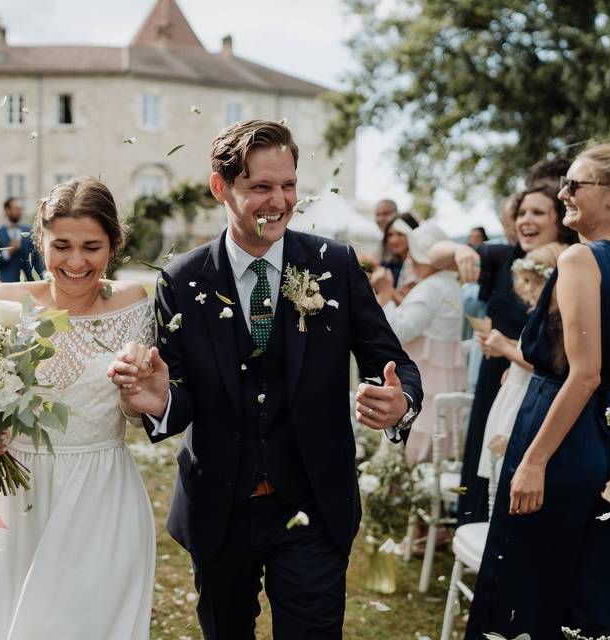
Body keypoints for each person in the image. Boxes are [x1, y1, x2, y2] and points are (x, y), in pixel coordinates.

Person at [108, 120, 422, 639]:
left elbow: (394, 363)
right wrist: (159, 399)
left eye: (289, 185)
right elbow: (180, 398)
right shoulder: (182, 280)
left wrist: (400, 401)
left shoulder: (334, 265)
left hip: (314, 506)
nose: (279, 201)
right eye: (260, 187)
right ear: (220, 187)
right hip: (219, 511)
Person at [465, 143, 610, 640]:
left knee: (525, 590)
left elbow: (584, 373)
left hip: (556, 443)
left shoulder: (578, 260)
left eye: (575, 184)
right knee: (580, 591)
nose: (563, 193)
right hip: (601, 445)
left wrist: (534, 460)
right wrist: (604, 415)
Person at [0, 177, 155, 639]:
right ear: (41, 242)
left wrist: (138, 397)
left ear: (114, 244)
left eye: (92, 246)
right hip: (21, 495)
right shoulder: (3, 304)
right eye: (62, 245)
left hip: (103, 489)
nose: (76, 261)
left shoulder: (134, 304)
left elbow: (135, 412)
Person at [429, 183, 577, 525]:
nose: (526, 219)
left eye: (538, 213)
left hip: (537, 391)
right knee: (484, 467)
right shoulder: (503, 256)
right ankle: (474, 534)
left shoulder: (572, 266)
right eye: (521, 212)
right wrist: (459, 250)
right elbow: (433, 254)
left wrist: (506, 347)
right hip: (494, 384)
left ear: (559, 221)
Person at [371, 222, 465, 463]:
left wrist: (384, 294)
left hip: (424, 379)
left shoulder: (431, 287)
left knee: (411, 454)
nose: (410, 261)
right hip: (440, 378)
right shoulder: (450, 284)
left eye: (414, 254)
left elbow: (399, 332)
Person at [476, 243, 566, 485]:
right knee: (500, 468)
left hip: (525, 402)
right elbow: (530, 352)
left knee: (509, 468)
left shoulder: (555, 321)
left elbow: (546, 363)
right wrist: (513, 362)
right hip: (515, 391)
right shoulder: (540, 316)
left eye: (535, 282)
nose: (528, 289)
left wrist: (506, 350)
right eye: (524, 281)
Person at [0, 196, 44, 282]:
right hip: (7, 284)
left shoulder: (30, 230)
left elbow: (36, 258)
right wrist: (8, 252)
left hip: (29, 282)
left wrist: (40, 279)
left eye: (20, 209)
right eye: (16, 209)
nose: (19, 212)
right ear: (7, 210)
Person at [379, 212, 419, 301]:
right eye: (390, 235)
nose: (394, 240)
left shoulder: (420, 266)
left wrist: (386, 287)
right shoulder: (387, 264)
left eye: (400, 234)